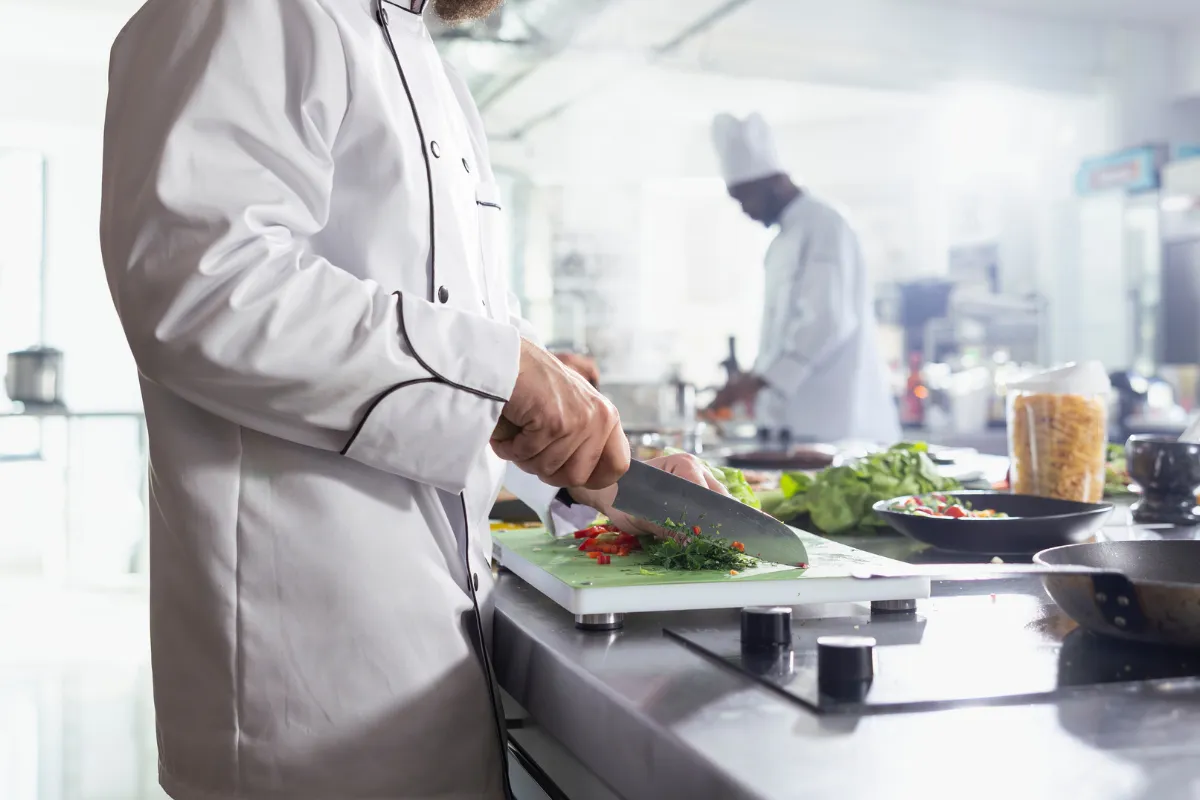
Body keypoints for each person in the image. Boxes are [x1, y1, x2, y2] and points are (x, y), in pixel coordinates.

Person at [98, 2, 721, 798]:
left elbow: (456, 341)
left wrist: (601, 466)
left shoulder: (432, 70)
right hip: (304, 690)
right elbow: (198, 285)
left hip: (435, 663)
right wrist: (503, 371)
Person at [707, 113, 900, 444]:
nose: (744, 210)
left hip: (836, 424)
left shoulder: (825, 224)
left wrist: (756, 382)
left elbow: (826, 320)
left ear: (774, 181)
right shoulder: (782, 239)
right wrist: (753, 380)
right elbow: (784, 334)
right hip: (797, 427)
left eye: (745, 197)